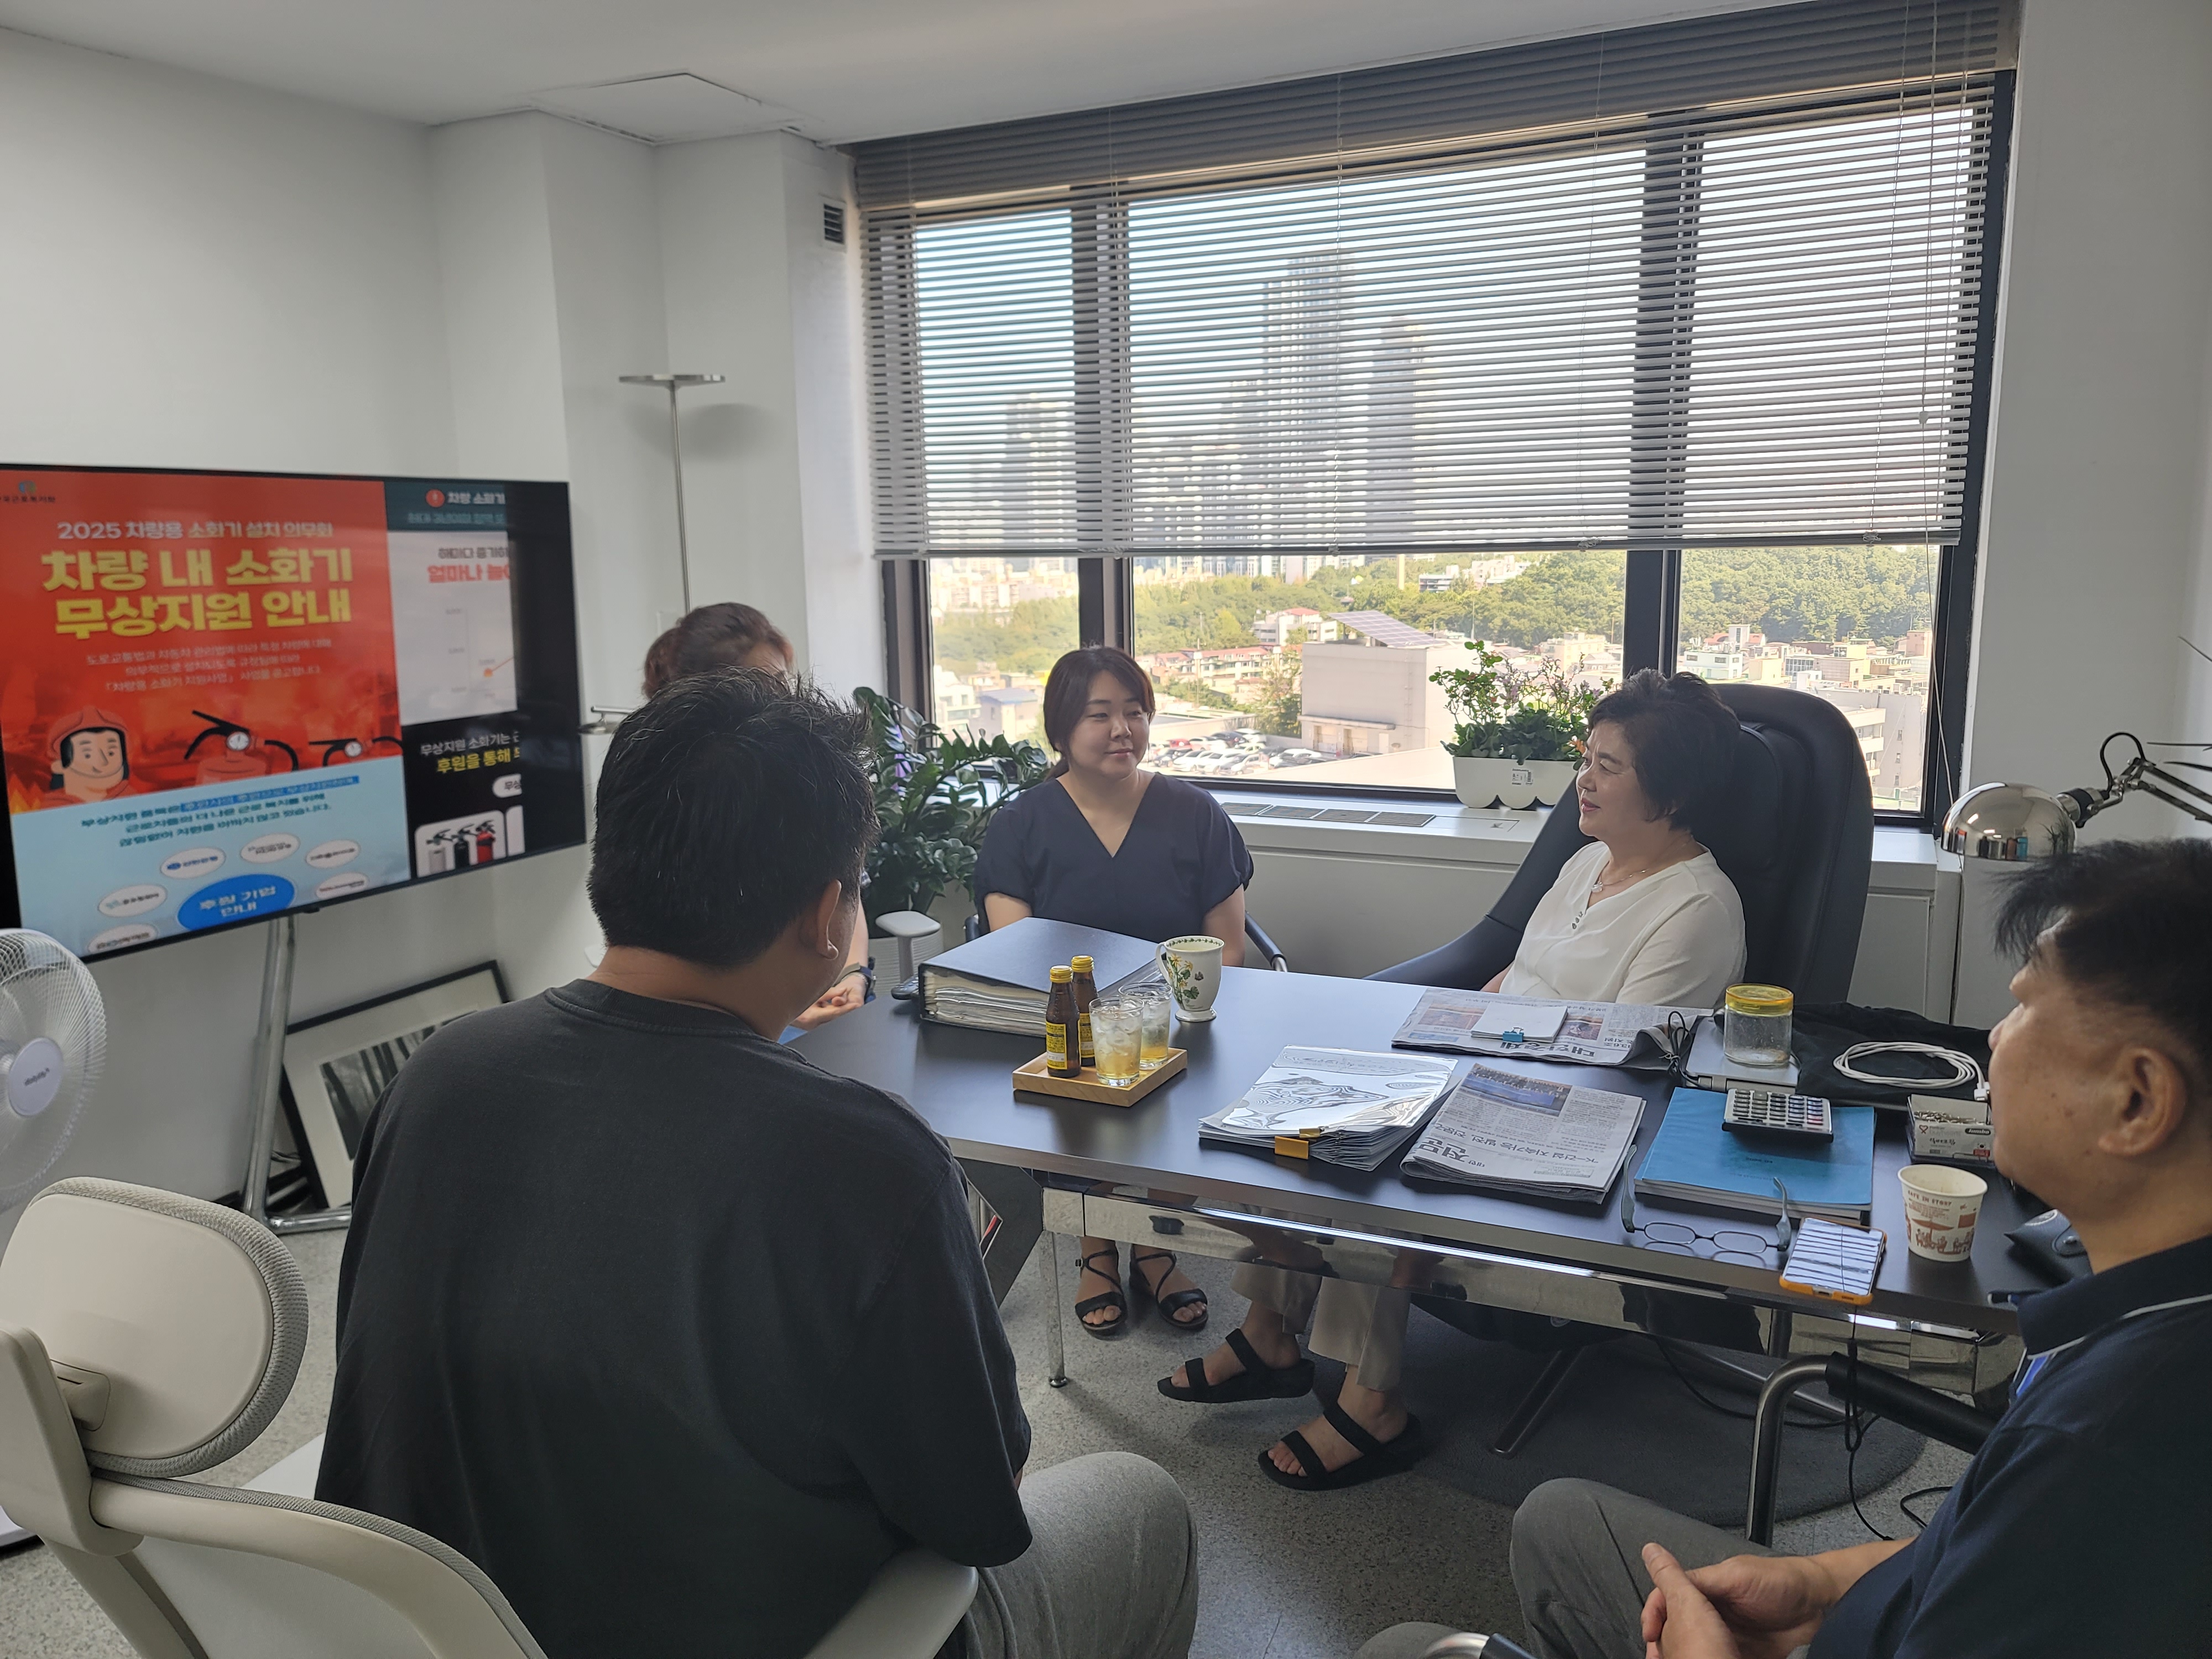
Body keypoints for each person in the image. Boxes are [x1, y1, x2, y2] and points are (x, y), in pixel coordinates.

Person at [319, 669, 1198, 1659]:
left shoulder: (438, 1076)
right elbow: (978, 1512)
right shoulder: (866, 1159)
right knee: (1144, 1505)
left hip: (447, 1630)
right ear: (827, 915)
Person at [1358, 837, 2212, 1659]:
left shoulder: (2102, 1448)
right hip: (1866, 1616)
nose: (1994, 1038)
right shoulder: (2139, 1322)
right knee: (1559, 1518)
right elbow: (1982, 1552)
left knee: (1404, 1651)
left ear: (2138, 1100)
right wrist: (1820, 1581)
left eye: (2025, 1008)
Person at [1162, 671, 1745, 1490]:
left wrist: (1470, 1073)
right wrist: (1439, 1039)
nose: (1583, 779)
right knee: (1314, 1123)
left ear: (1673, 795)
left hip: (1577, 1126)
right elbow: (1516, 977)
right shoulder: (1587, 863)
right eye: (1587, 758)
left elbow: (1621, 1066)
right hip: (1495, 1077)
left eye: (1608, 767)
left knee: (1373, 1166)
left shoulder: (1697, 910)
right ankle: (1270, 1333)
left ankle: (1374, 1403)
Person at [974, 645, 1255, 1340]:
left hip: (1175, 1019)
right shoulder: (1020, 824)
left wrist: (1158, 1013)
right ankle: (1096, 1246)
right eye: (1099, 715)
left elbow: (1229, 946)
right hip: (1069, 1025)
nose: (1122, 729)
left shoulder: (1194, 813)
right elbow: (1017, 952)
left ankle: (1154, 1245)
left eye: (1135, 712)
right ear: (1062, 728)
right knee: (1081, 1078)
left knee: (1180, 1084)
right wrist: (1105, 1021)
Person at [643, 601, 871, 1030]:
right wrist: (782, 1006)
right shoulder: (667, 798)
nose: (783, 700)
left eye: (784, 682)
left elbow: (844, 892)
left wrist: (851, 975)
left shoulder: (808, 778)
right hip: (713, 1024)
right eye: (766, 684)